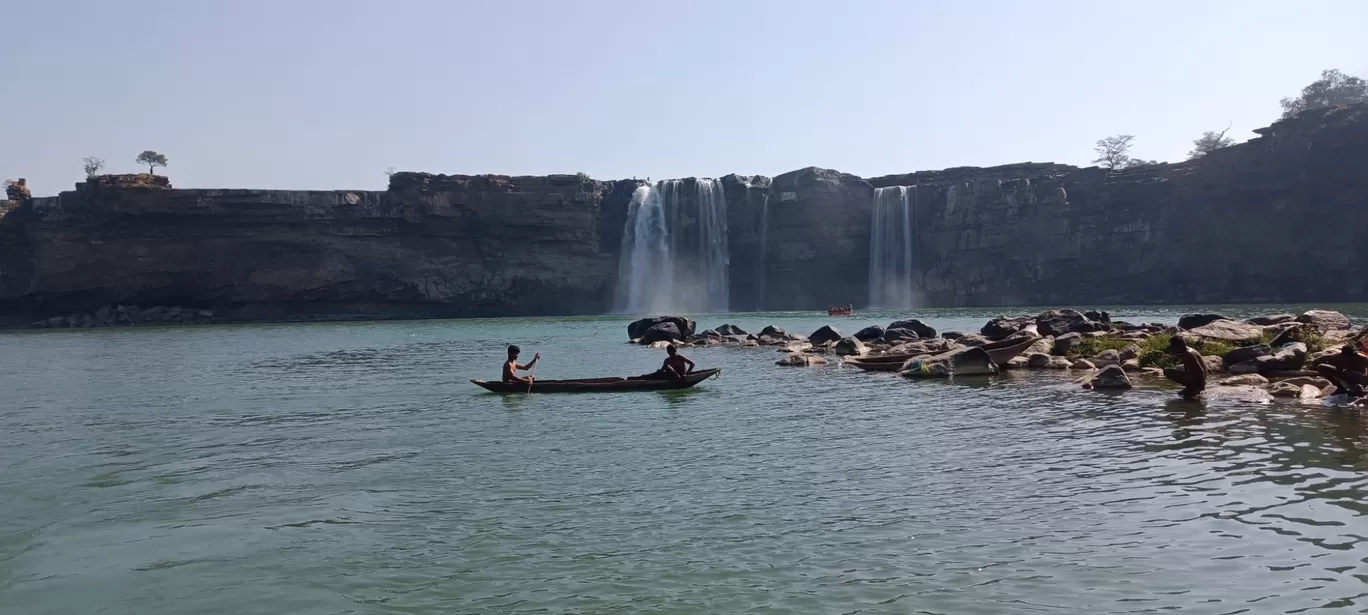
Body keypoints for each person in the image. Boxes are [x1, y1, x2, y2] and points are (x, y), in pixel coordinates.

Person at [1163, 335, 1207, 399]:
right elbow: (1180, 356)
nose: (1171, 348)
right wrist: (1170, 356)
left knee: (1167, 371)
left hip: (1198, 380)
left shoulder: (1188, 354)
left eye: (1172, 346)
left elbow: (1200, 371)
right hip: (1196, 377)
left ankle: (1193, 388)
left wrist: (1200, 387)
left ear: (1177, 346)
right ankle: (1191, 387)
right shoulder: (1187, 351)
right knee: (1178, 367)